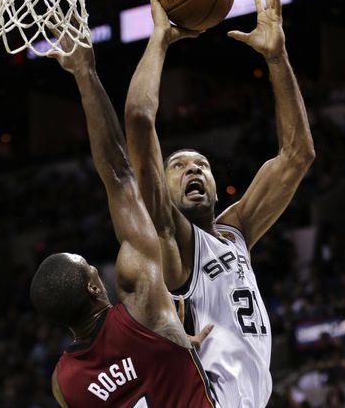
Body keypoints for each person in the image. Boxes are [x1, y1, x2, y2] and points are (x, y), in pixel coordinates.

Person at [124, 0, 315, 408]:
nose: (193, 168)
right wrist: (159, 38)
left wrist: (278, 58)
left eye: (202, 165)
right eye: (178, 166)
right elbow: (138, 119)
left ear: (213, 187)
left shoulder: (235, 231)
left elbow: (297, 155)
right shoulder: (174, 244)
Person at [29, 35, 217, 407]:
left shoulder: (63, 384)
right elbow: (119, 174)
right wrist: (85, 73)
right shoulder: (144, 307)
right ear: (95, 289)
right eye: (91, 269)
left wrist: (175, 352)